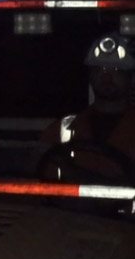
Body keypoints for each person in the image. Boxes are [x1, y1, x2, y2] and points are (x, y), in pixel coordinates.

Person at [40, 33, 135, 181]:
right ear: (90, 76)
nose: (107, 77)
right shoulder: (63, 129)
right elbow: (35, 176)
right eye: (99, 69)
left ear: (131, 78)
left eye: (117, 70)